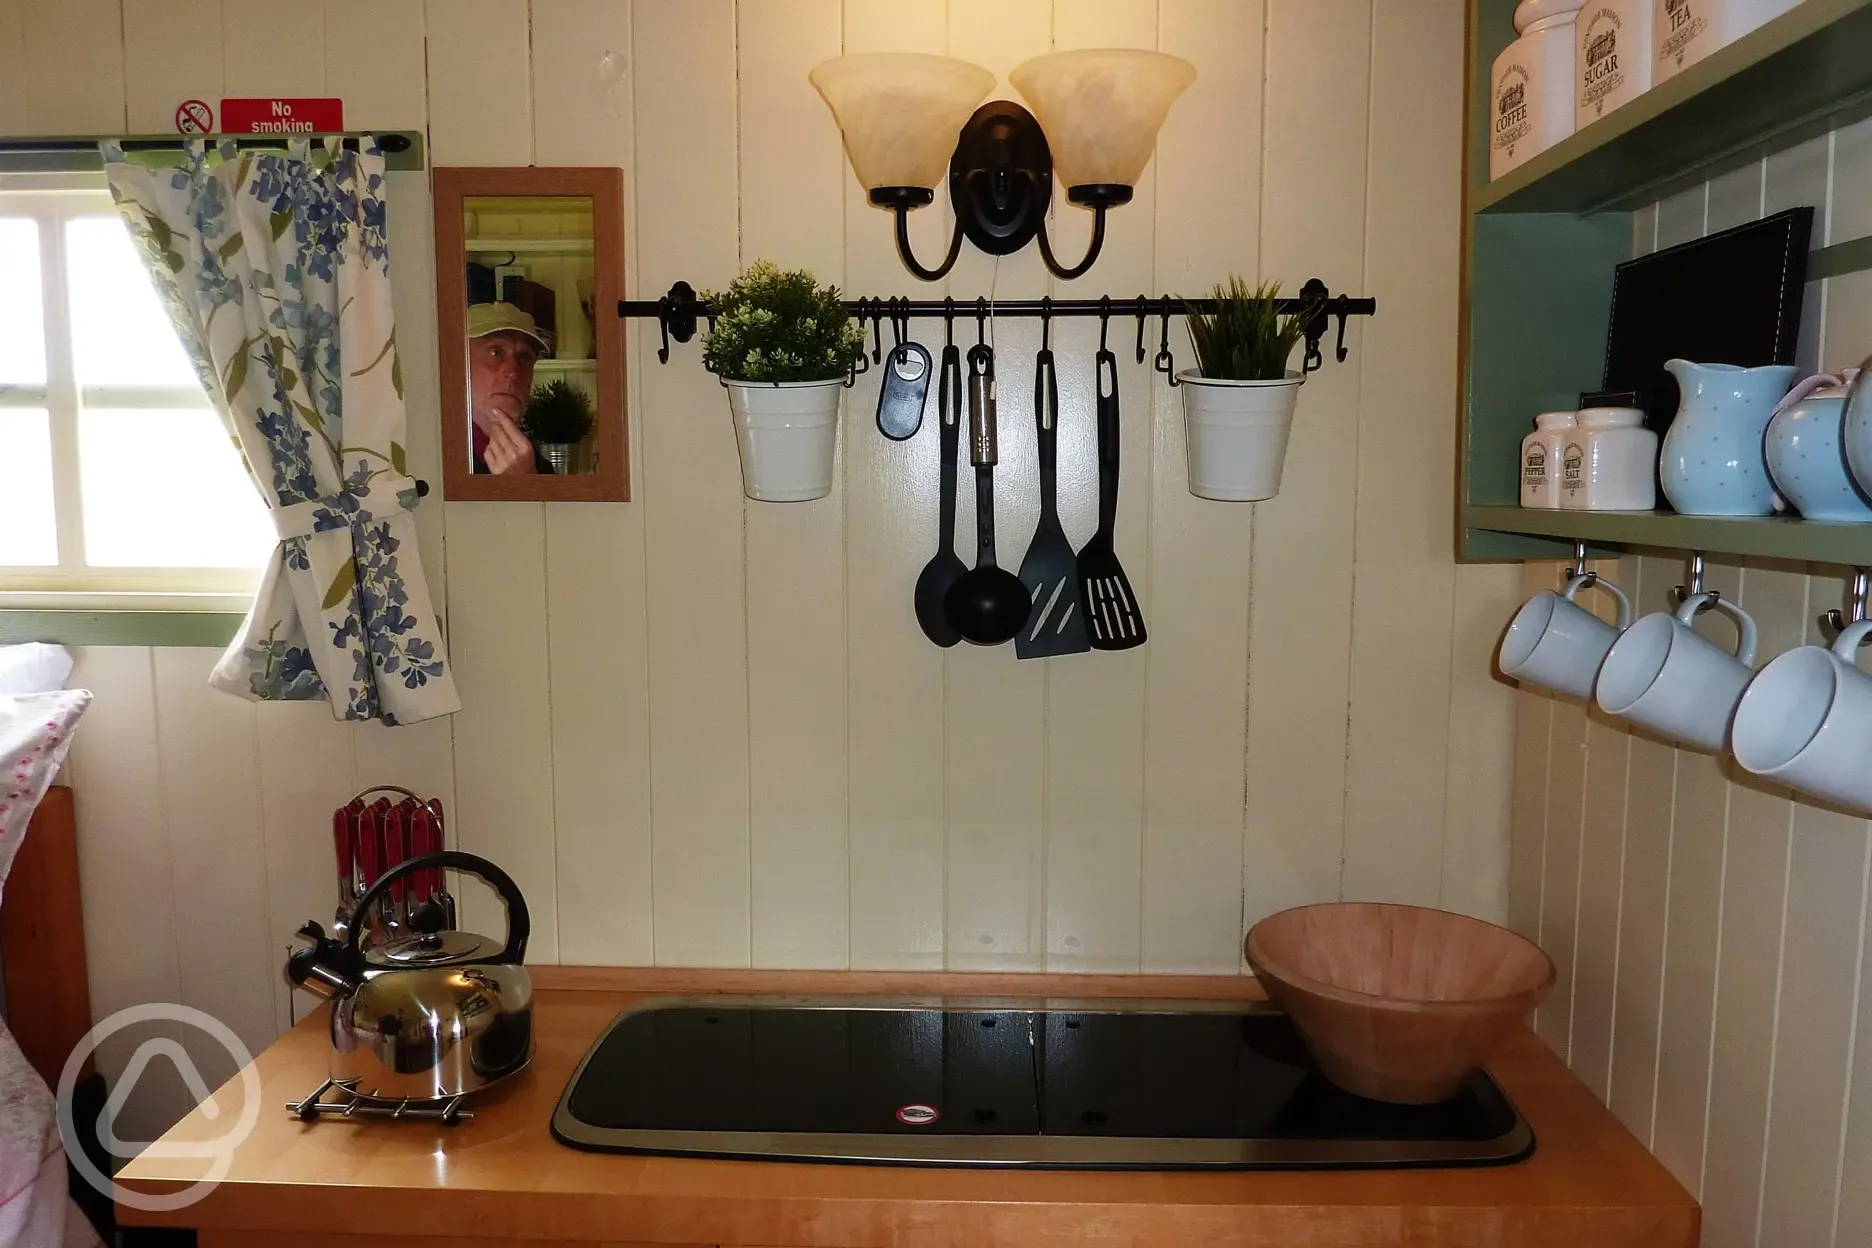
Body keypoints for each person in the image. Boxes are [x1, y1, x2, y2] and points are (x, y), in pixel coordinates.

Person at [466, 302, 554, 475]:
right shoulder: (434, 457)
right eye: (495, 353)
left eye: (524, 358)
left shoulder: (538, 467)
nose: (513, 372)